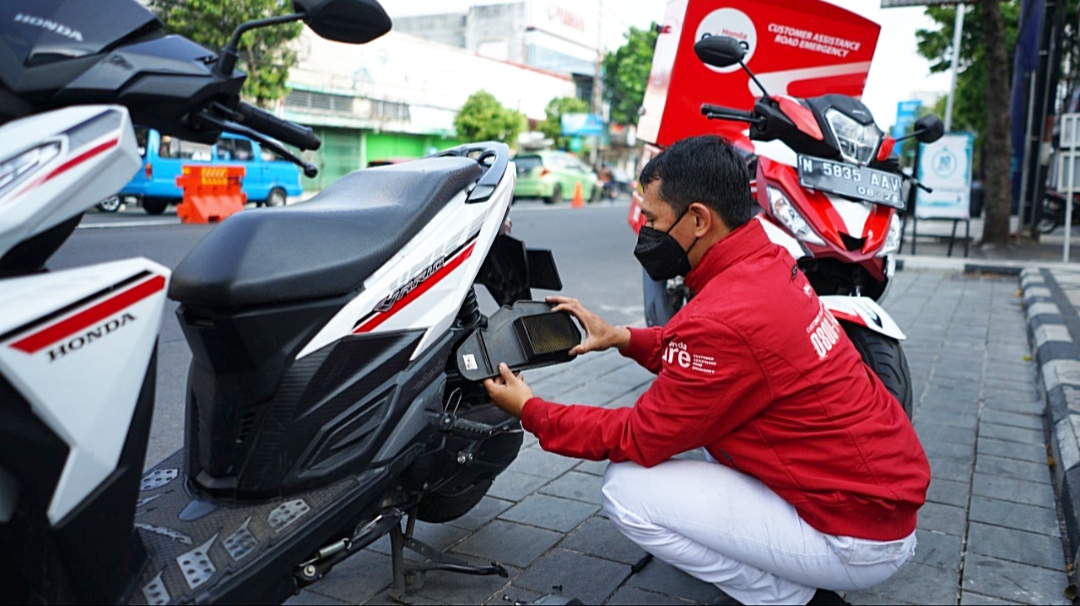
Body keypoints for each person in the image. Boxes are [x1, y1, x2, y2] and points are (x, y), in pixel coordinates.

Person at [483, 135, 931, 606]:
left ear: (698, 219)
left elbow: (638, 435)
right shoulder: (767, 262)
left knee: (627, 490)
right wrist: (622, 337)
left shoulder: (724, 317)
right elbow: (716, 358)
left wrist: (532, 411)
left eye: (653, 220)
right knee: (712, 441)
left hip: (858, 533)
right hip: (875, 497)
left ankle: (793, 599)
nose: (646, 232)